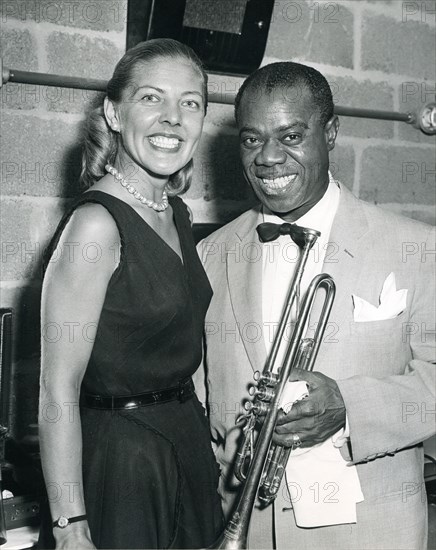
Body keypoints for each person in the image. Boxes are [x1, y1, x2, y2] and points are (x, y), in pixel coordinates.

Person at [195, 61, 435, 549]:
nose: (268, 158)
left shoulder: (417, 248)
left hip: (371, 533)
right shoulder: (210, 254)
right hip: (246, 529)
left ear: (330, 133)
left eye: (290, 136)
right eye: (251, 139)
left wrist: (349, 406)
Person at [38, 39, 223, 549]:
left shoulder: (176, 214)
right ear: (115, 114)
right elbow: (57, 389)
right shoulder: (96, 224)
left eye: (190, 103)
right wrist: (69, 524)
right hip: (121, 463)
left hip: (185, 443)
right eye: (151, 99)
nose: (172, 119)